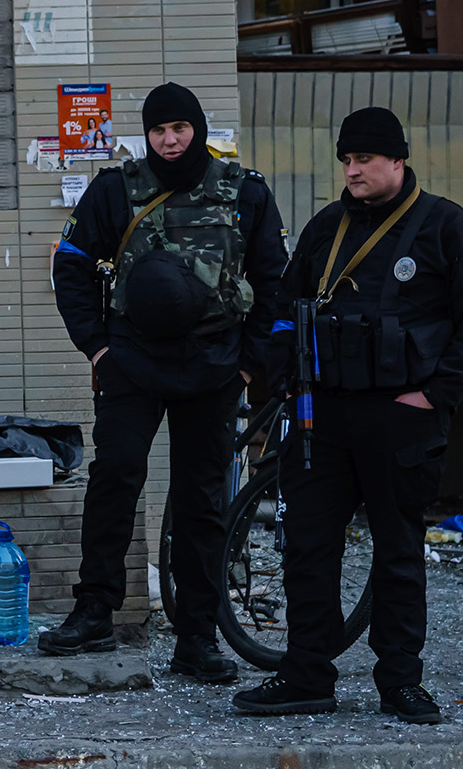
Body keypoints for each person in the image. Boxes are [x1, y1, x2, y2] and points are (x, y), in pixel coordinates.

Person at [44, 82, 288, 682]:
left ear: (196, 129)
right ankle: (95, 611)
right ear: (146, 134)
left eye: (179, 128)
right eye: (159, 130)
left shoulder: (245, 193)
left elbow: (275, 280)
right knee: (114, 481)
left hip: (214, 365)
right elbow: (71, 266)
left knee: (201, 501)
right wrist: (97, 349)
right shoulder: (115, 190)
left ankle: (198, 636)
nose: (170, 140)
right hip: (132, 361)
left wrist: (250, 363)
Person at [234, 107, 463, 725]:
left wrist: (437, 394)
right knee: (308, 549)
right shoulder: (326, 226)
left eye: (364, 160)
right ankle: (306, 674)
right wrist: (281, 381)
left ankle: (400, 683)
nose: (353, 170)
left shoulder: (443, 225)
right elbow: (285, 307)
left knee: (396, 551)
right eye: (347, 160)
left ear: (398, 160)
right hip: (321, 414)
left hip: (400, 415)